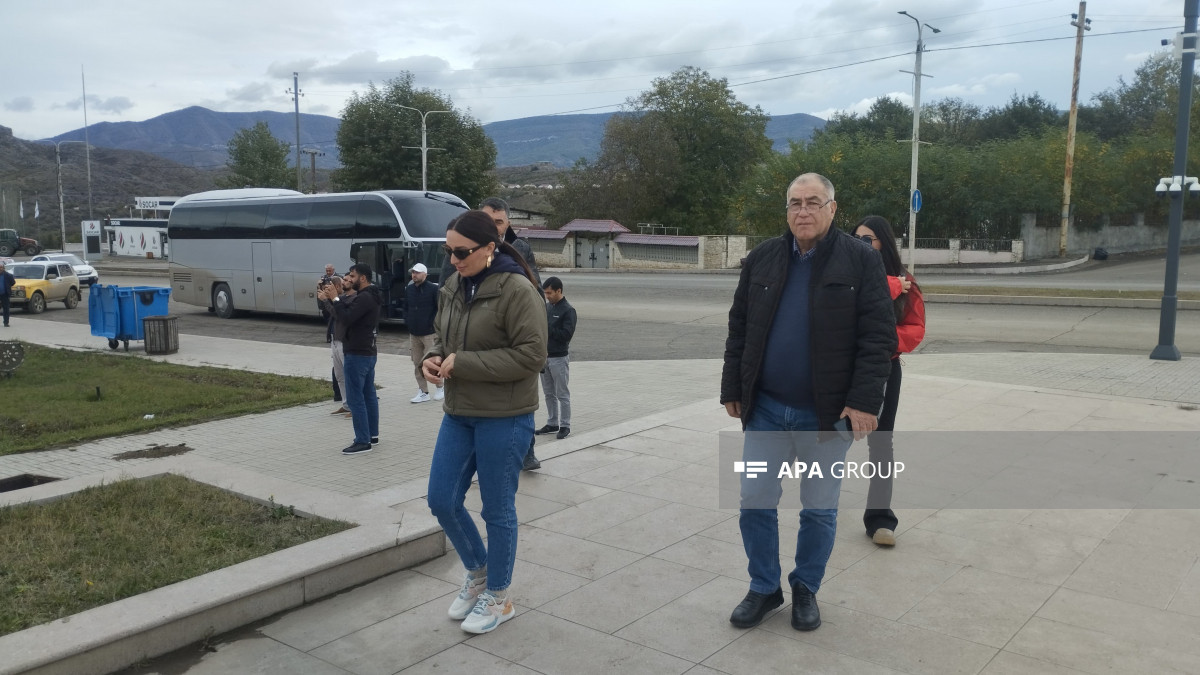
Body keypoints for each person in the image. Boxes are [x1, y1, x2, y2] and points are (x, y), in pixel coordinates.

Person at [721, 173, 896, 632]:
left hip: (827, 417)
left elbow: (879, 337)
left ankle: (806, 588)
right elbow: (739, 328)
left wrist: (863, 401)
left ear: (832, 209)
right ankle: (764, 587)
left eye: (813, 202)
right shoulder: (762, 259)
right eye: (795, 203)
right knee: (754, 501)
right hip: (766, 411)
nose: (803, 211)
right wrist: (733, 389)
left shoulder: (860, 261)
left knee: (818, 509)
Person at [422, 209, 546, 635]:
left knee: (497, 509)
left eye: (461, 252)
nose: (453, 260)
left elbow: (533, 356)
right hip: (459, 414)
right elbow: (443, 338)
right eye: (448, 252)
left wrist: (466, 363)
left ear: (489, 248)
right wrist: (432, 358)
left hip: (505, 417)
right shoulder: (453, 287)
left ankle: (499, 596)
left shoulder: (517, 290)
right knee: (441, 499)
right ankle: (478, 572)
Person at [852, 215, 926, 547]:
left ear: (885, 243)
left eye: (868, 240)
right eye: (856, 239)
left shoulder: (907, 282)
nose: (861, 246)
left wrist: (879, 344)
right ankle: (818, 511)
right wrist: (892, 286)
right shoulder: (846, 274)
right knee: (826, 439)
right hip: (840, 369)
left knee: (881, 443)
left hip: (883, 368)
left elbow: (914, 329)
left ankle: (880, 518)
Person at [319, 263, 382, 455]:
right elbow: (344, 311)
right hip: (367, 351)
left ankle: (363, 441)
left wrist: (334, 298)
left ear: (363, 278)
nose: (349, 279)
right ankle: (372, 435)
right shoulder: (370, 295)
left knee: (356, 398)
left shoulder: (365, 297)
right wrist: (333, 299)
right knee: (368, 394)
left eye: (352, 276)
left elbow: (346, 317)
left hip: (357, 352)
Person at [534, 276, 576, 440]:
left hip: (559, 358)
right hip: (545, 357)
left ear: (559, 291)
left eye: (550, 293)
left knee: (562, 393)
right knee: (548, 393)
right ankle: (552, 422)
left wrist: (548, 328)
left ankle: (565, 425)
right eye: (545, 293)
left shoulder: (568, 310)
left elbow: (566, 335)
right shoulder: (547, 308)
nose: (547, 296)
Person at [405, 262, 443, 403]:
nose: (414, 275)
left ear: (425, 274)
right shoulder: (409, 289)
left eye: (417, 272)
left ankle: (440, 387)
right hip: (414, 333)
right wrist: (407, 321)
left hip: (429, 333)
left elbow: (439, 309)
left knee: (433, 362)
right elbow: (406, 307)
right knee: (417, 362)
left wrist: (435, 326)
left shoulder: (434, 289)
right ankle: (423, 391)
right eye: (413, 272)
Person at [323, 274, 355, 417]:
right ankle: (346, 404)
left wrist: (328, 300)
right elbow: (328, 313)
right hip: (334, 340)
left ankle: (355, 407)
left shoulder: (352, 299)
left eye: (347, 281)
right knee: (340, 376)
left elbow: (338, 315)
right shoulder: (341, 299)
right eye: (344, 281)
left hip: (344, 341)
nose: (344, 283)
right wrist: (325, 300)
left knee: (349, 376)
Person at [319, 263, 338, 343]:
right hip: (326, 302)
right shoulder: (323, 278)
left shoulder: (338, 278)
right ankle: (330, 336)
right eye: (327, 271)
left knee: (333, 320)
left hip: (333, 301)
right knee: (328, 320)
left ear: (333, 270)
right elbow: (320, 290)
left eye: (329, 271)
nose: (328, 272)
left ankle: (331, 336)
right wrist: (319, 284)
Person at [0, 262, 14, 327]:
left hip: (5, 294)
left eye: (1, 267)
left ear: (3, 268)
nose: (0, 269)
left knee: (6, 309)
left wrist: (7, 287)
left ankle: (6, 322)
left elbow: (13, 282)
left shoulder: (8, 275)